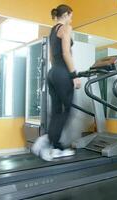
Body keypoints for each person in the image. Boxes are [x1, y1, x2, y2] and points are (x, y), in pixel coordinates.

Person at [32, 4, 81, 161]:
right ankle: (51, 145)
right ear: (66, 14)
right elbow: (66, 52)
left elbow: (53, 57)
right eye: (71, 15)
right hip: (63, 74)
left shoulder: (53, 30)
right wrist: (74, 75)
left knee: (56, 111)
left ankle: (49, 142)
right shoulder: (66, 28)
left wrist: (58, 71)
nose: (71, 19)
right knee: (67, 110)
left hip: (52, 73)